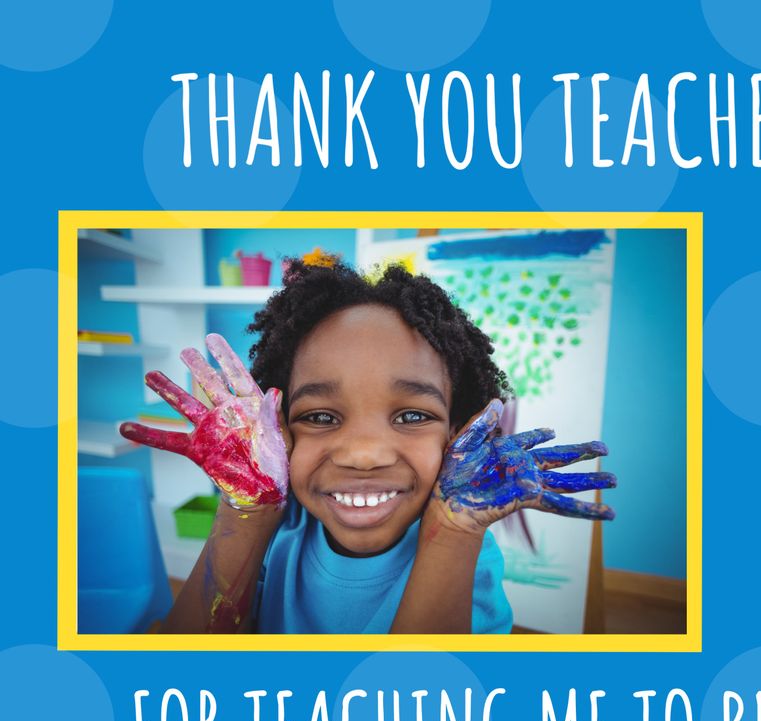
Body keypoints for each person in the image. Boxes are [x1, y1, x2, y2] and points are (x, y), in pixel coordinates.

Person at [120, 260, 616, 634]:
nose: (363, 454)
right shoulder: (279, 528)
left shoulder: (468, 551)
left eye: (412, 416)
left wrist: (452, 534)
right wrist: (244, 513)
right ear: (281, 432)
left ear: (459, 432)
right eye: (319, 417)